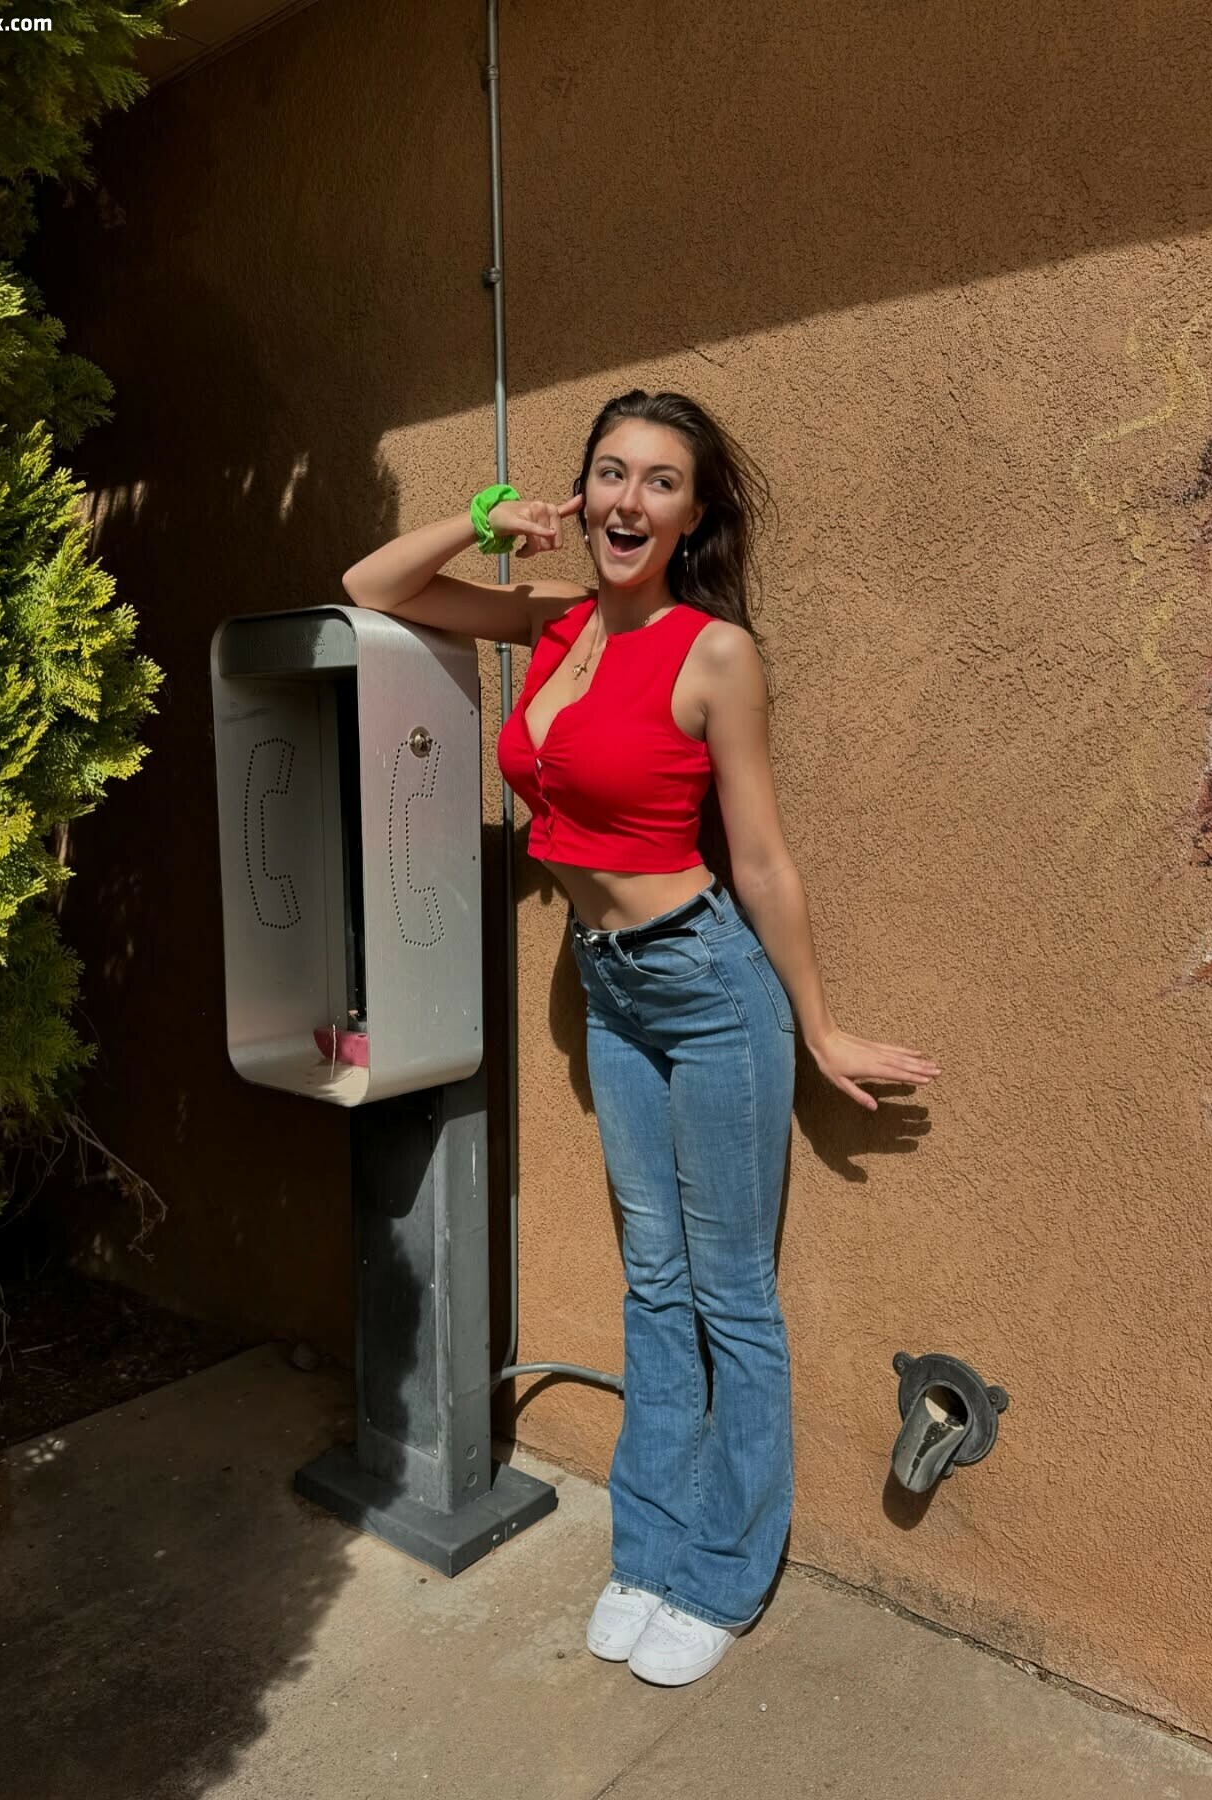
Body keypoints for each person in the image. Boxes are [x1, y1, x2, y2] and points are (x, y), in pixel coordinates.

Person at [341, 389, 941, 1686]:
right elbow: (372, 588)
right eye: (610, 473)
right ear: (585, 494)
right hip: (610, 985)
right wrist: (488, 519)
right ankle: (650, 1550)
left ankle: (721, 1573)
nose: (628, 500)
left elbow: (761, 858)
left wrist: (819, 1027)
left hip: (708, 985)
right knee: (653, 1283)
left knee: (730, 1294)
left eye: (660, 481)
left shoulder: (713, 653)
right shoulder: (554, 623)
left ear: (692, 514)